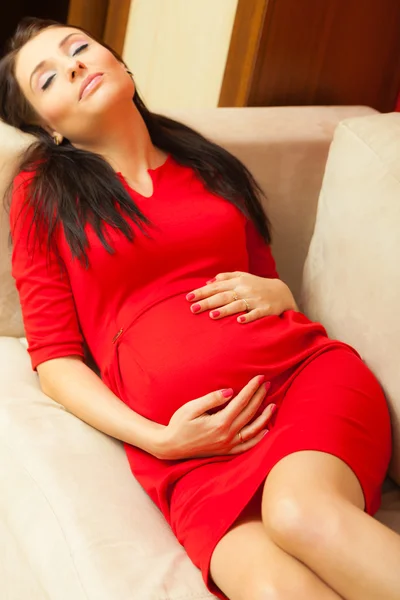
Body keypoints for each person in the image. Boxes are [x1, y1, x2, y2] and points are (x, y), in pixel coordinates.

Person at [0, 17, 398, 600]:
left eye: (79, 48)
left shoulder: (208, 165)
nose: (76, 66)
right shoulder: (43, 193)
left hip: (298, 382)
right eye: (49, 77)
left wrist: (281, 294)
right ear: (47, 126)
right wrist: (158, 439)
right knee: (271, 589)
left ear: (119, 62)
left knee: (298, 513)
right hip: (190, 457)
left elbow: (264, 282)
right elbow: (56, 359)